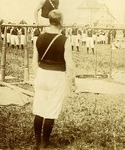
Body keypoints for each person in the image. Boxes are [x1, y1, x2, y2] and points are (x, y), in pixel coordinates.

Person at [32, 10, 74, 149]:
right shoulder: (64, 40)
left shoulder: (39, 38)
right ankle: (45, 142)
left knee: (39, 109)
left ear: (49, 21)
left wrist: (36, 77)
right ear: (61, 22)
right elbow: (69, 64)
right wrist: (71, 82)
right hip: (57, 77)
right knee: (51, 109)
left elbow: (34, 62)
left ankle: (37, 141)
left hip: (41, 74)